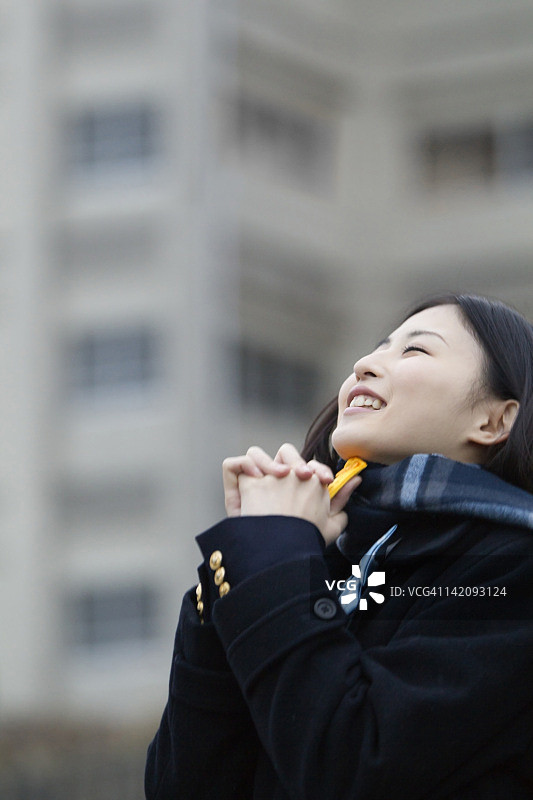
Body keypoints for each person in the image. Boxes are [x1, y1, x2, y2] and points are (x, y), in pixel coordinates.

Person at [145, 292, 533, 799]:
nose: (364, 364)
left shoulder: (513, 568)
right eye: (378, 347)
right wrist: (246, 561)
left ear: (494, 421)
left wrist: (274, 556)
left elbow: (355, 765)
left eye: (415, 350)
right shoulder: (329, 557)